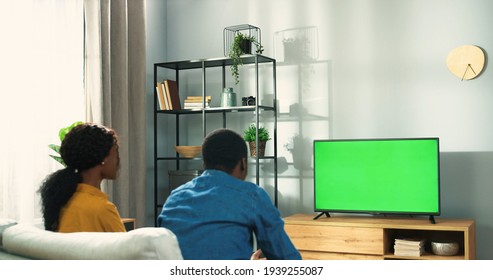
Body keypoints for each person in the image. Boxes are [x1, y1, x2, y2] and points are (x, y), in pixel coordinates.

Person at [157, 128, 302, 260]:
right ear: (243, 163)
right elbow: (288, 260)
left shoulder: (174, 198)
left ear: (204, 163)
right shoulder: (252, 196)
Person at [38, 123, 125, 233]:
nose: (118, 161)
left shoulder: (62, 201)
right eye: (116, 154)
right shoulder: (102, 210)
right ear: (102, 159)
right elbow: (126, 249)